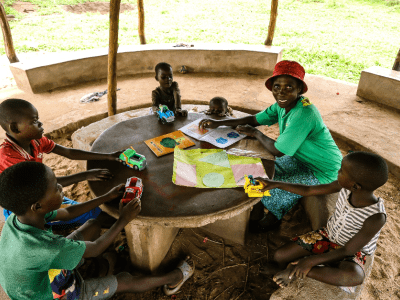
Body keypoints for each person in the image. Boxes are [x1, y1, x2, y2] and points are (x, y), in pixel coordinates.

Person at [0, 161, 195, 300]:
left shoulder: (22, 218)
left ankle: (91, 267)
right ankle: (175, 277)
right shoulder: (45, 246)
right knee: (124, 280)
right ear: (37, 205)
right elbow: (95, 248)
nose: (61, 186)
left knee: (93, 225)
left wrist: (105, 197)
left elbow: (68, 212)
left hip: (36, 275)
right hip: (49, 293)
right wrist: (123, 220)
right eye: (55, 187)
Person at [199, 60, 342, 231]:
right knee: (260, 171)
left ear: (299, 90)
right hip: (301, 159)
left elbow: (278, 151)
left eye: (289, 87)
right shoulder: (282, 105)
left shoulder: (304, 113)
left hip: (323, 170)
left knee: (273, 188)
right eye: (277, 87)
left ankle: (271, 219)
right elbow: (254, 119)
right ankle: (257, 211)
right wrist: (220, 123)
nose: (281, 92)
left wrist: (256, 133)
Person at [255, 151, 387, 291]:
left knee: (354, 276)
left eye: (342, 171)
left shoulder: (376, 217)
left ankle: (297, 270)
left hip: (351, 251)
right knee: (279, 255)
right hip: (327, 235)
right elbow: (309, 190)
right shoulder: (343, 186)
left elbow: (348, 250)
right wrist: (275, 184)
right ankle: (283, 269)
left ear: (355, 186)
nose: (338, 171)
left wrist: (309, 262)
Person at [0, 98, 122, 227]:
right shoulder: (9, 158)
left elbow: (68, 153)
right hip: (26, 209)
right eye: (34, 121)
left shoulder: (36, 140)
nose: (41, 124)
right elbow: (38, 187)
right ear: (15, 127)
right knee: (102, 218)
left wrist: (108, 156)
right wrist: (85, 175)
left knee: (96, 213)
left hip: (44, 194)